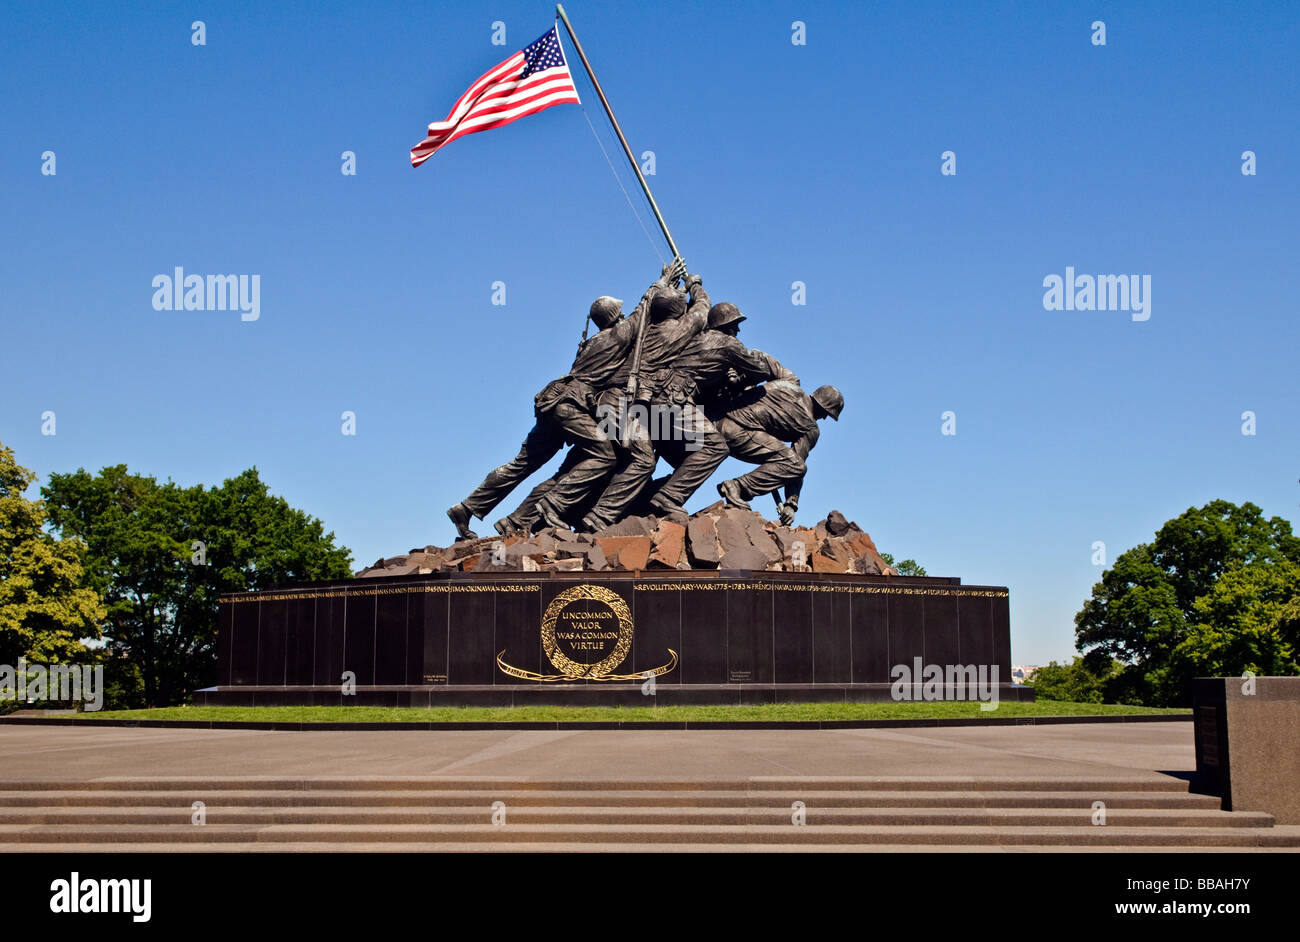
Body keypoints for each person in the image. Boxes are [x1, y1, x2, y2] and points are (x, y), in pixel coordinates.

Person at [445, 260, 685, 540]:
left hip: (551, 401)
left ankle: (468, 507)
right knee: (603, 455)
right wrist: (663, 280)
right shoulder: (618, 336)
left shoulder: (591, 342)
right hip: (570, 404)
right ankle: (551, 506)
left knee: (522, 464)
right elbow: (643, 310)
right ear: (616, 317)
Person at [714, 382, 844, 526]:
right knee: (796, 465)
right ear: (822, 406)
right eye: (827, 413)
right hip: (736, 433)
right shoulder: (810, 427)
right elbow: (795, 467)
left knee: (688, 462)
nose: (825, 418)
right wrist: (791, 504)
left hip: (713, 419)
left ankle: (683, 499)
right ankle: (737, 487)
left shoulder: (787, 386)